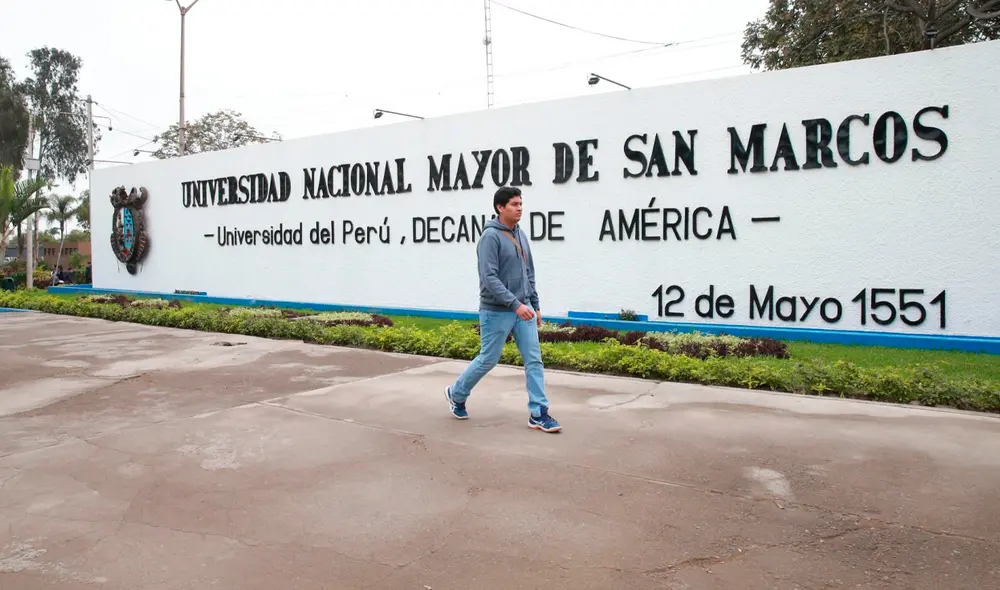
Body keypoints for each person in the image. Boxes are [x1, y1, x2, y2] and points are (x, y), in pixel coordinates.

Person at [444, 186, 562, 433]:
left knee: (534, 360)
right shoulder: (490, 237)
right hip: (496, 310)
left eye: (521, 204)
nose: (520, 208)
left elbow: (528, 273)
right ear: (500, 207)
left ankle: (538, 412)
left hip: (523, 309)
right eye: (514, 204)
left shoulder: (521, 235)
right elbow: (489, 278)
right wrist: (515, 304)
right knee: (489, 358)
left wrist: (535, 305)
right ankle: (457, 393)